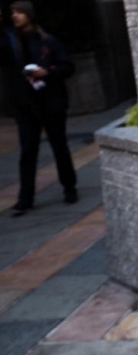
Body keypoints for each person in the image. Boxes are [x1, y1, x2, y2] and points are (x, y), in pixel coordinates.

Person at [0, 1, 77, 216]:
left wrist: (47, 72)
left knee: (59, 146)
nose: (15, 16)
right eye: (13, 12)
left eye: (19, 12)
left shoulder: (47, 41)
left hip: (51, 102)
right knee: (27, 152)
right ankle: (25, 198)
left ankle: (69, 188)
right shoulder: (11, 43)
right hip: (25, 106)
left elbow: (67, 66)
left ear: (29, 15)